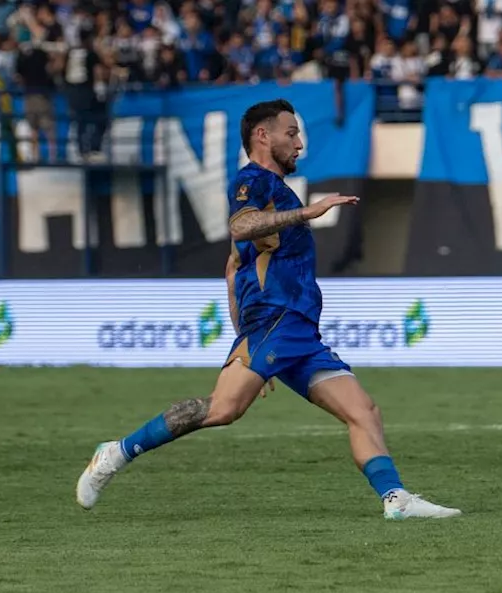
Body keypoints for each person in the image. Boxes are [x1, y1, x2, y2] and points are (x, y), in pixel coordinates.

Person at [76, 100, 461, 521]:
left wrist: (244, 339)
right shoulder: (252, 181)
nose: (299, 143)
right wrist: (309, 212)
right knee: (224, 409)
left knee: (363, 410)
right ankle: (116, 453)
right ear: (263, 136)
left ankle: (395, 499)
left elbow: (232, 267)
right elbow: (240, 227)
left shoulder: (276, 190)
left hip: (295, 329)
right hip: (277, 319)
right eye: (291, 133)